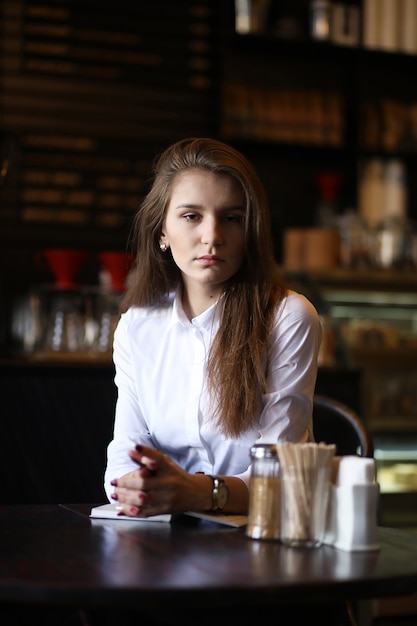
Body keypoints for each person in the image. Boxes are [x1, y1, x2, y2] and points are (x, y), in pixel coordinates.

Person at [105, 136, 322, 519]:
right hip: (164, 537)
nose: (212, 236)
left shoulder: (288, 317)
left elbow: (278, 477)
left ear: (250, 230)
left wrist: (197, 493)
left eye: (232, 218)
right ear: (162, 232)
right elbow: (125, 454)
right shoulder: (137, 327)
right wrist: (138, 488)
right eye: (191, 216)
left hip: (266, 538)